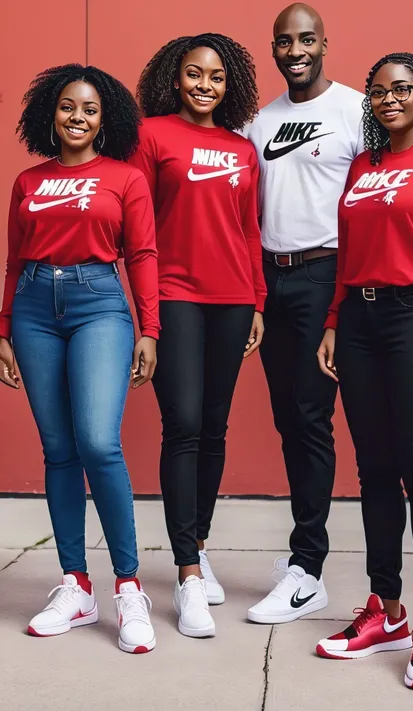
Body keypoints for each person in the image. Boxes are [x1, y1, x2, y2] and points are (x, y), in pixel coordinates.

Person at [316, 52, 413, 691]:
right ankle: (386, 607)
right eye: (378, 91)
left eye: (402, 88)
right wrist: (332, 320)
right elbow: (348, 250)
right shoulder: (363, 164)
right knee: (374, 469)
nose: (388, 98)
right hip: (359, 319)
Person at [0, 64, 159, 654]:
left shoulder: (124, 179)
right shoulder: (28, 181)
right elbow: (15, 260)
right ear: (51, 112)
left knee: (98, 442)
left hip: (99, 305)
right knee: (60, 449)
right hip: (35, 307)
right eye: (69, 106)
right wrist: (4, 327)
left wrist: (150, 329)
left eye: (90, 109)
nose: (78, 117)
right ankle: (75, 584)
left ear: (105, 119)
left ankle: (127, 585)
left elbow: (142, 253)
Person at [131, 33, 266, 638]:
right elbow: (138, 231)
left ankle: (200, 546)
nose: (205, 84)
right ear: (174, 77)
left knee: (214, 426)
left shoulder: (241, 149)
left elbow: (248, 230)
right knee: (183, 424)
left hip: (234, 298)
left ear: (228, 83)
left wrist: (258, 299)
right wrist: (148, 314)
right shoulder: (151, 136)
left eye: (215, 76)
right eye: (193, 73)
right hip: (177, 295)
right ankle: (187, 575)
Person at [244, 3, 364, 624]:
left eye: (307, 39)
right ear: (273, 49)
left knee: (313, 417)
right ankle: (302, 553)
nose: (296, 50)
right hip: (273, 278)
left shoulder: (354, 110)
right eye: (285, 41)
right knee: (290, 417)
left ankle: (308, 568)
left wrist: (344, 304)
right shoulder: (260, 122)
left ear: (324, 43)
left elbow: (377, 197)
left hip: (327, 275)